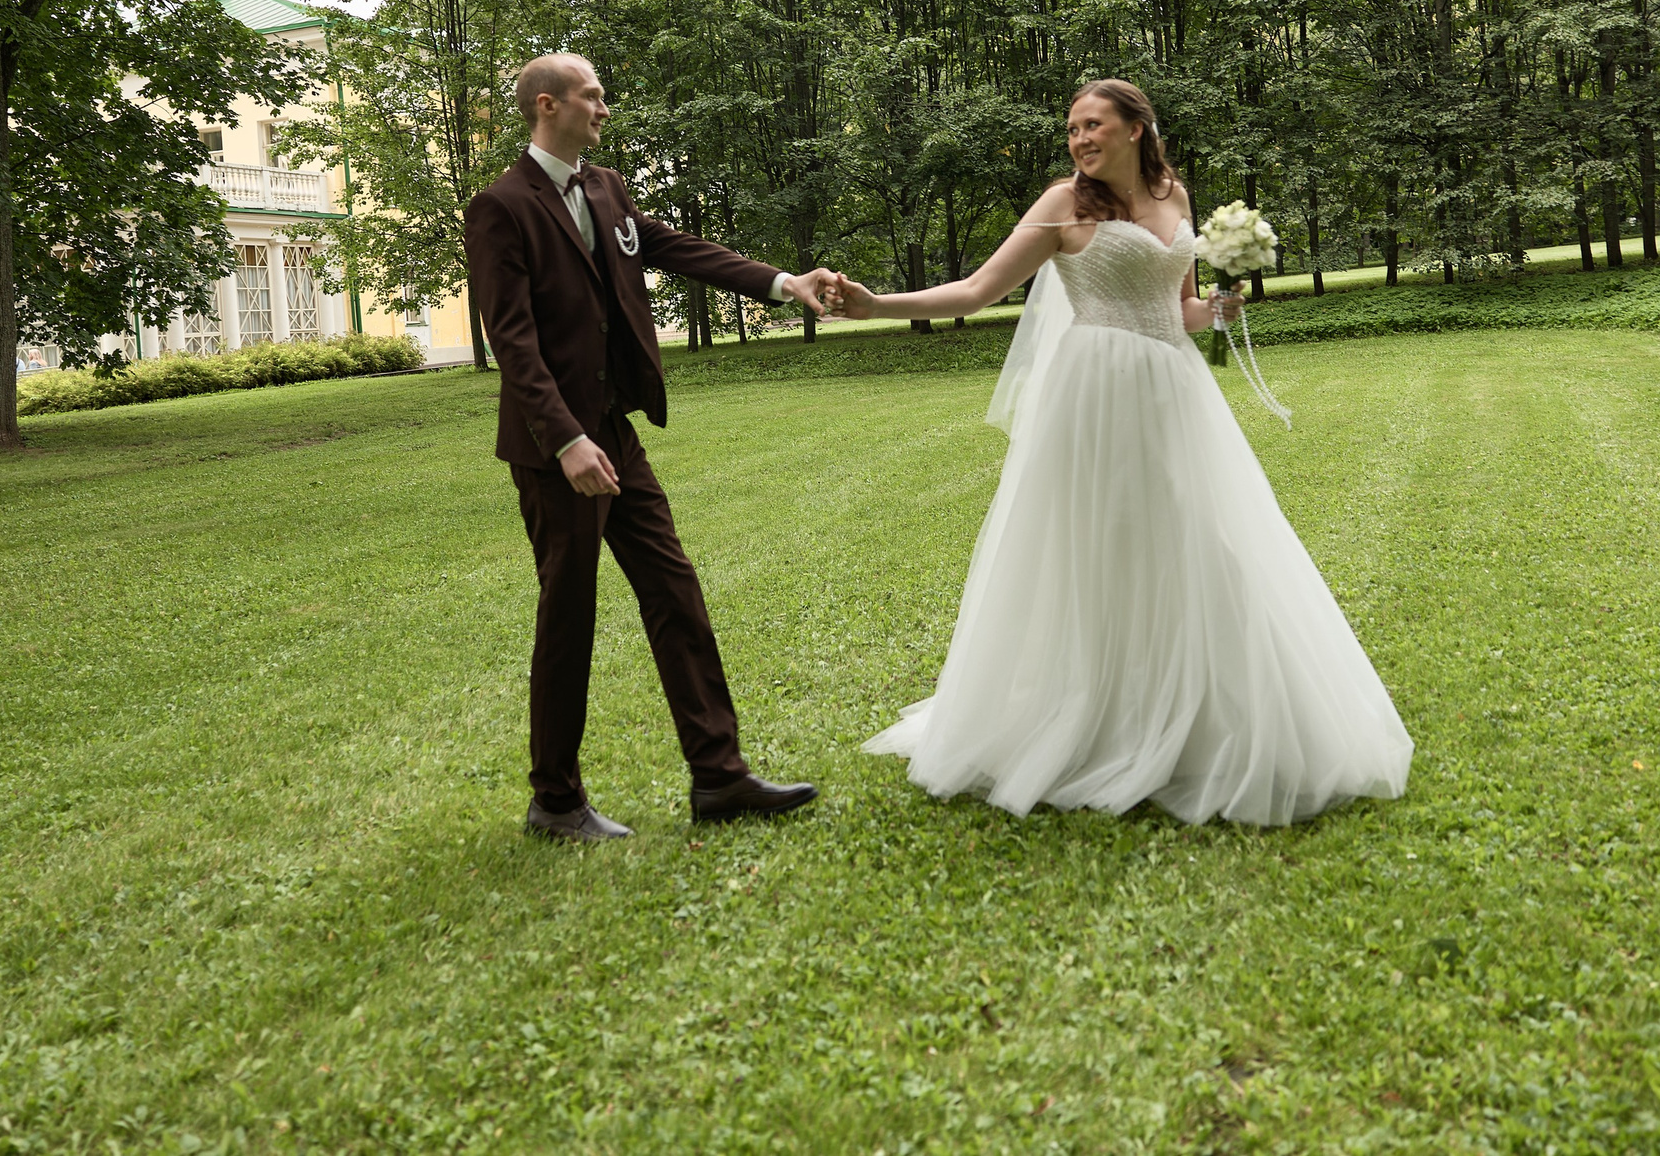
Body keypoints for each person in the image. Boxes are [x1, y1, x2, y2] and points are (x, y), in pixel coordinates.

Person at [831, 79, 1412, 826]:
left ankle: (1200, 711)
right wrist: (877, 304)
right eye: (1071, 128)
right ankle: (1099, 713)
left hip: (1173, 388)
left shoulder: (1177, 197)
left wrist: (1222, 306)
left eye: (1093, 124)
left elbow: (1183, 313)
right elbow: (978, 290)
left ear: (1137, 128)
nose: (1079, 138)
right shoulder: (1061, 205)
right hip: (1094, 395)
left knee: (1201, 539)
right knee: (1101, 547)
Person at [465, 52, 837, 841]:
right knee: (570, 615)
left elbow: (677, 248)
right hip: (555, 451)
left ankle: (720, 776)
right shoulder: (500, 206)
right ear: (546, 105)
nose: (603, 109)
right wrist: (565, 439)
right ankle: (555, 801)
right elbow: (514, 340)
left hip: (618, 436)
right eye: (591, 97)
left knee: (675, 591)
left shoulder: (605, 188)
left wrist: (781, 282)